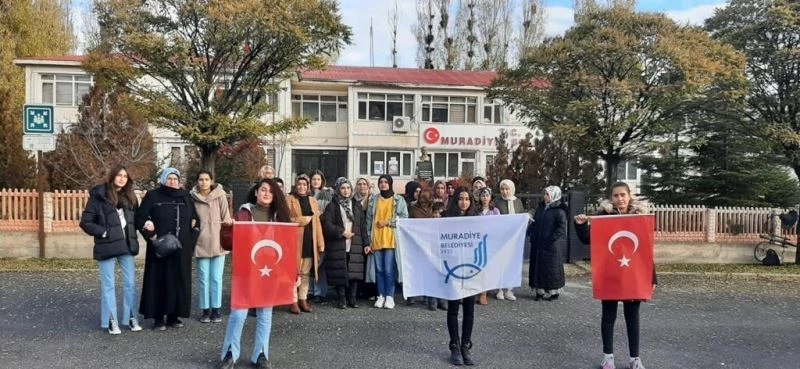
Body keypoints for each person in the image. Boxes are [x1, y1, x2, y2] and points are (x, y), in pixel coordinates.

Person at [574, 182, 656, 369]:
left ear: (629, 196)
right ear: (611, 198)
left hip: (633, 274)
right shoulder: (604, 217)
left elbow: (646, 250)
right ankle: (608, 356)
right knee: (608, 315)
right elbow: (588, 239)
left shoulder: (639, 217)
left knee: (632, 316)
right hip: (609, 272)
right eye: (616, 195)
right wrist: (581, 225)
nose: (619, 199)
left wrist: (652, 277)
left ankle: (635, 358)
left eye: (623, 195)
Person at [218, 178, 294, 369]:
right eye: (263, 190)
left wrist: (291, 273)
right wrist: (227, 228)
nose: (267, 193)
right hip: (246, 271)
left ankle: (260, 354)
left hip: (269, 273)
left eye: (270, 191)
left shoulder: (280, 217)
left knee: (265, 314)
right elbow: (228, 244)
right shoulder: (244, 214)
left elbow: (287, 247)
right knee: (238, 314)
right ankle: (230, 354)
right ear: (256, 192)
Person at [79, 165, 142, 334]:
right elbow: (86, 222)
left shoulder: (130, 197)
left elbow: (136, 220)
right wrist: (103, 232)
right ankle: (111, 320)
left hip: (127, 245)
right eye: (119, 175)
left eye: (125, 176)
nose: (122, 178)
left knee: (130, 284)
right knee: (109, 285)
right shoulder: (99, 196)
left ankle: (131, 318)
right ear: (112, 176)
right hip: (107, 245)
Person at [136, 168, 199, 330]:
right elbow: (140, 217)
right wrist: (151, 234)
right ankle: (158, 317)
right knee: (159, 280)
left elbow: (195, 220)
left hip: (181, 248)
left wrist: (190, 240)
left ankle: (174, 316)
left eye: (175, 178)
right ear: (164, 179)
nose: (172, 181)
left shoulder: (185, 196)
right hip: (160, 248)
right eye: (169, 178)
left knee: (179, 281)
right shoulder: (153, 196)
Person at [191, 171, 233, 323]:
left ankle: (216, 309)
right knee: (203, 278)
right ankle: (205, 309)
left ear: (211, 181)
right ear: (197, 181)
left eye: (206, 179)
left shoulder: (220, 195)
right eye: (201, 179)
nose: (203, 182)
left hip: (218, 241)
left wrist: (228, 221)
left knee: (216, 278)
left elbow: (226, 215)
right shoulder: (192, 198)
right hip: (201, 242)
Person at [322, 177, 370, 309]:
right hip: (339, 242)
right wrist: (341, 232)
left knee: (354, 270)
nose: (346, 190)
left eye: (348, 188)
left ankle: (352, 298)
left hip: (355, 242)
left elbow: (363, 226)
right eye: (343, 188)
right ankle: (341, 298)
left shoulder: (356, 205)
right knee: (340, 270)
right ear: (338, 189)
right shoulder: (332, 206)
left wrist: (366, 243)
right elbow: (327, 224)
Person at [444, 187, 480, 366]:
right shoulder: (447, 219)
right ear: (455, 200)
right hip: (452, 269)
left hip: (471, 270)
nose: (464, 202)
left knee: (469, 309)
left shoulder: (476, 220)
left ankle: (466, 344)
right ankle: (454, 346)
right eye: (460, 199)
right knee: (452, 308)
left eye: (467, 199)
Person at [365, 174, 408, 309]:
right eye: (381, 182)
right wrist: (368, 241)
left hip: (391, 240)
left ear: (390, 183)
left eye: (385, 182)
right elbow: (368, 221)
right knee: (379, 270)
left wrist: (389, 222)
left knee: (389, 270)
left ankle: (390, 296)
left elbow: (404, 218)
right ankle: (381, 295)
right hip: (376, 239)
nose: (383, 184)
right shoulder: (374, 200)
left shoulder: (398, 200)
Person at [287, 174, 325, 313]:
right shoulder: (289, 199)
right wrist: (301, 220)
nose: (302, 187)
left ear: (308, 186)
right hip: (295, 241)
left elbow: (317, 222)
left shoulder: (312, 200)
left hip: (310, 240)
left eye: (304, 184)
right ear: (295, 186)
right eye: (299, 184)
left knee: (305, 273)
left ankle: (303, 299)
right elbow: (285, 219)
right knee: (294, 272)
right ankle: (293, 300)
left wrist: (320, 242)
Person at [409, 187, 447, 311]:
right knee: (417, 270)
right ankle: (414, 294)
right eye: (422, 198)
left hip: (433, 244)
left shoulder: (434, 210)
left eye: (427, 199)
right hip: (418, 243)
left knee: (435, 271)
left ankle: (434, 297)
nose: (424, 201)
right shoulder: (413, 209)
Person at [528, 186, 568, 301]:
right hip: (538, 244)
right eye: (544, 194)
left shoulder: (559, 210)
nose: (545, 196)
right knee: (538, 267)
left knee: (551, 269)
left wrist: (551, 239)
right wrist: (531, 232)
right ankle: (539, 291)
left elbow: (561, 227)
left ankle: (553, 292)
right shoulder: (541, 208)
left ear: (554, 196)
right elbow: (535, 222)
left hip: (551, 246)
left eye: (547, 194)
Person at [494, 179, 524, 301]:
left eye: (507, 189)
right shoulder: (497, 202)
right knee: (501, 263)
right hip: (501, 238)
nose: (505, 192)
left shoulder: (518, 202)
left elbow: (521, 217)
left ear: (512, 189)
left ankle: (509, 290)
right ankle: (499, 289)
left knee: (512, 263)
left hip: (515, 238)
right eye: (502, 189)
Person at [310, 170, 333, 302]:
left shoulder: (327, 195)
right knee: (310, 262)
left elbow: (328, 212)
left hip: (322, 230)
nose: (316, 182)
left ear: (322, 181)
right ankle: (309, 290)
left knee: (320, 262)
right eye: (314, 179)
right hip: (309, 230)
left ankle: (320, 292)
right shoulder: (306, 193)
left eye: (318, 179)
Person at [475, 187, 500, 305]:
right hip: (476, 242)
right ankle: (476, 291)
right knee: (477, 266)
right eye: (483, 195)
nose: (485, 198)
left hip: (489, 242)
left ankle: (483, 293)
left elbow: (498, 226)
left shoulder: (495, 211)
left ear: (491, 197)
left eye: (487, 195)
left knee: (485, 267)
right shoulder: (476, 211)